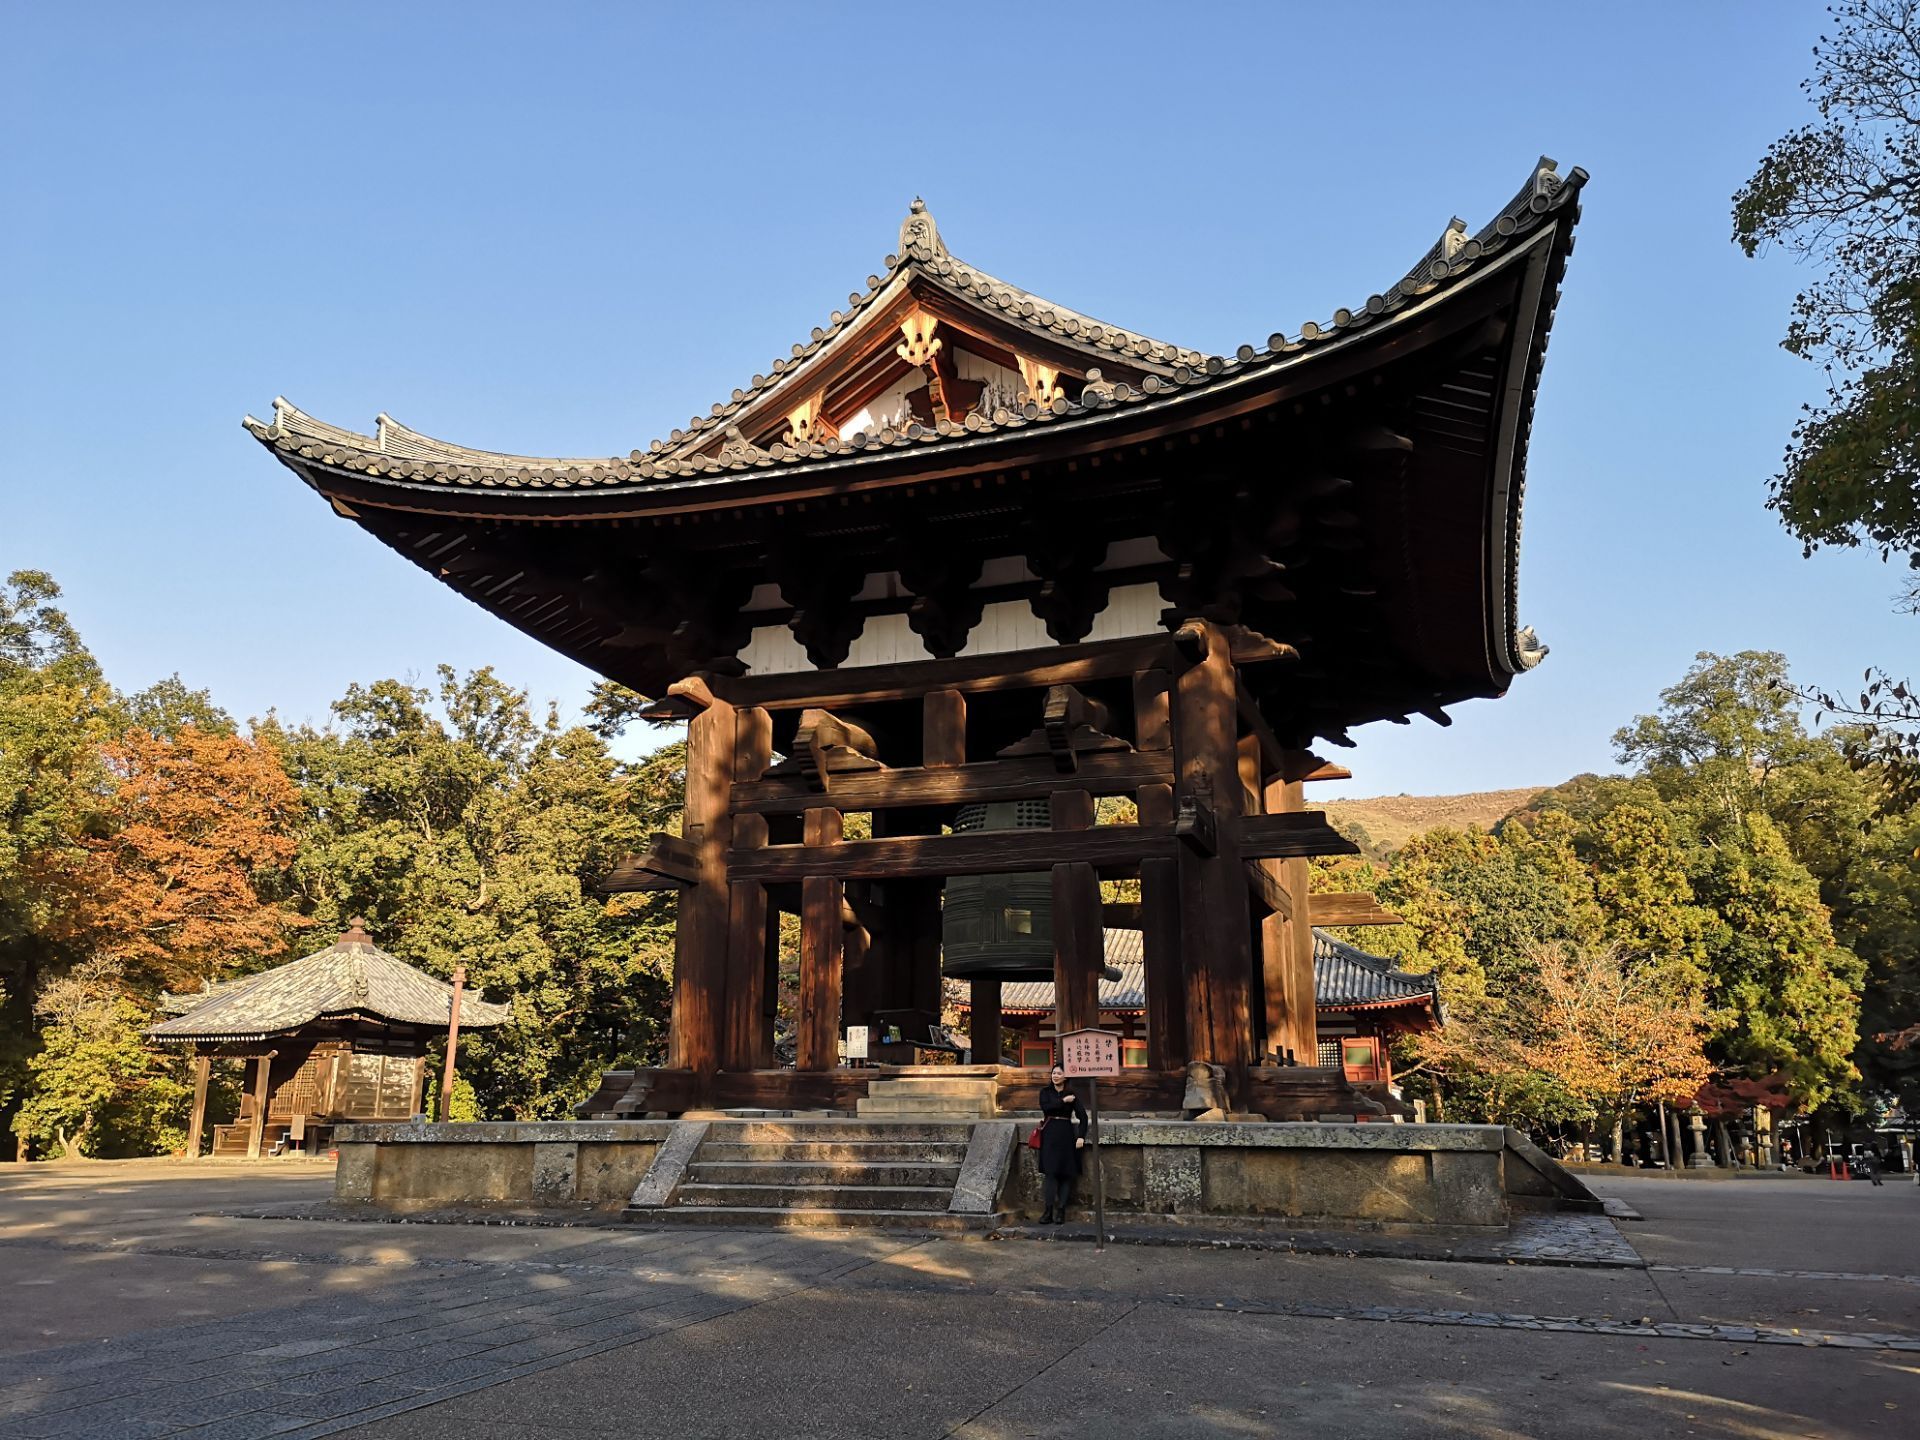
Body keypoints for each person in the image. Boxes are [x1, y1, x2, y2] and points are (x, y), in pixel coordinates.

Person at [1036, 1063, 1089, 1224]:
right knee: (1050, 1173)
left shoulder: (1072, 1094)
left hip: (1066, 1134)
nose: (1055, 1075)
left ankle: (1061, 1211)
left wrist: (1081, 1136)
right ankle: (1048, 1211)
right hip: (1050, 1133)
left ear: (1065, 1076)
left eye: (1059, 1073)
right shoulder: (1045, 1092)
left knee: (1066, 1174)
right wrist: (1063, 1101)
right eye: (1053, 1073)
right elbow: (1047, 1109)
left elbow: (1083, 1117)